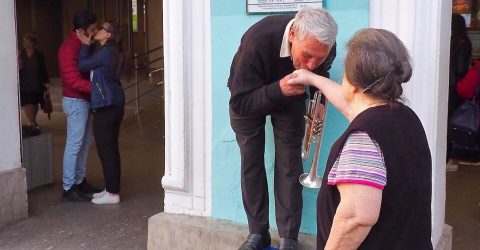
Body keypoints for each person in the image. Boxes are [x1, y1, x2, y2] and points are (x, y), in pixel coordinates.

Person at [287, 28, 432, 249]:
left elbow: (355, 218)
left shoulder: (363, 138)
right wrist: (312, 78)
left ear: (353, 83)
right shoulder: (404, 116)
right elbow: (351, 106)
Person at [228, 7, 337, 250]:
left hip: (290, 96)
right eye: (307, 55)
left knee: (290, 164)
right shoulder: (257, 40)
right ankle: (258, 233)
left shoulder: (324, 45)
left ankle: (289, 237)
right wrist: (278, 89)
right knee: (251, 162)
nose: (311, 65)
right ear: (293, 34)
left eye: (319, 58)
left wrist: (318, 101)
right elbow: (240, 103)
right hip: (248, 95)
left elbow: (321, 75)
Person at [76, 22, 126, 205]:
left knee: (107, 151)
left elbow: (82, 65)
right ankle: (111, 189)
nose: (98, 31)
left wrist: (85, 44)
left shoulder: (105, 52)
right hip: (112, 104)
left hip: (107, 105)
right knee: (110, 149)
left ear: (108, 36)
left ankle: (112, 194)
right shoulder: (108, 51)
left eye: (103, 30)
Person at [58, 9, 101, 202]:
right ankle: (68, 187)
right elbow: (73, 80)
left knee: (85, 144)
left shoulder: (83, 44)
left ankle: (80, 181)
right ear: (81, 30)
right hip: (75, 101)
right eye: (92, 29)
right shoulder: (69, 48)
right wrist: (98, 89)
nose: (95, 32)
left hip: (84, 100)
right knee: (74, 144)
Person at [448, 13, 472, 171]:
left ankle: (449, 157)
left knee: (449, 122)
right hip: (458, 88)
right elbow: (462, 68)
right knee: (457, 121)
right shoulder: (464, 42)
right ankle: (453, 156)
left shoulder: (450, 41)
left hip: (449, 87)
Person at [19, 33, 50, 131]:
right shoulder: (21, 53)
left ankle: (33, 120)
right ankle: (32, 122)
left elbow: (43, 68)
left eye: (26, 41)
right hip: (24, 81)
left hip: (36, 81)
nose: (24, 42)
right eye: (23, 41)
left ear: (32, 43)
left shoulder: (39, 54)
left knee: (35, 101)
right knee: (27, 102)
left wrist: (46, 81)